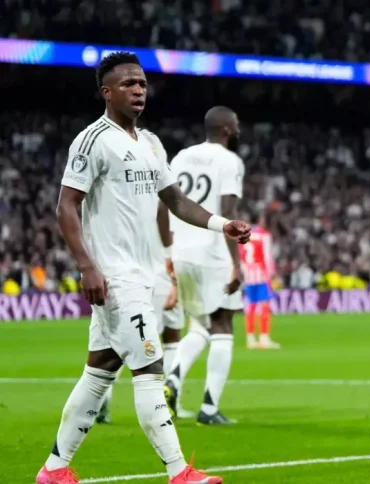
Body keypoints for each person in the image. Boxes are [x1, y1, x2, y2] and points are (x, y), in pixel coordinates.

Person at [39, 51, 250, 484]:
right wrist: (87, 266)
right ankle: (179, 471)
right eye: (128, 84)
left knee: (98, 373)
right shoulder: (93, 140)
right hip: (114, 277)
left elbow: (176, 201)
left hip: (143, 273)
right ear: (107, 92)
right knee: (151, 371)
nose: (138, 90)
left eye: (142, 83)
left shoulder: (151, 142)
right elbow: (66, 205)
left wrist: (222, 224)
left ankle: (54, 470)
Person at [164, 106, 246, 426]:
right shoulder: (229, 161)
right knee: (223, 325)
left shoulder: (181, 157)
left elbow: (166, 204)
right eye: (235, 125)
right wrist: (236, 264)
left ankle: (172, 379)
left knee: (200, 326)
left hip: (181, 250)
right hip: (213, 252)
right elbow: (229, 213)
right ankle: (209, 409)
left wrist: (168, 251)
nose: (238, 131)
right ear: (226, 129)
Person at [95, 133, 185, 424]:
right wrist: (170, 258)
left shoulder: (131, 184)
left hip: (143, 269)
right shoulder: (155, 187)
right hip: (156, 270)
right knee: (147, 343)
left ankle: (171, 396)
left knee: (168, 334)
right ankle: (161, 404)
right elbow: (164, 211)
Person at [240, 213, 280, 349]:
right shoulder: (264, 235)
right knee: (264, 306)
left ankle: (250, 339)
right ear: (260, 220)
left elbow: (240, 255)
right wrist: (273, 274)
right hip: (261, 274)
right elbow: (267, 256)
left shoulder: (242, 234)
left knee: (250, 306)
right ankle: (264, 338)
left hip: (247, 275)